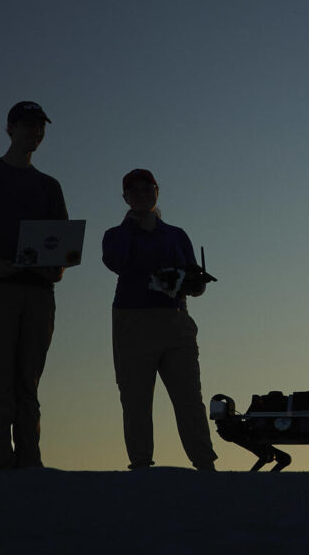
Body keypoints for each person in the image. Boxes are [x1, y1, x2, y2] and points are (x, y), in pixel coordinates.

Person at [0, 101, 68, 471]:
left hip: (38, 294)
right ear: (10, 128)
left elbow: (61, 250)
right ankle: (2, 465)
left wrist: (55, 270)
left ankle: (30, 463)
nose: (35, 132)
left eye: (40, 126)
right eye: (28, 125)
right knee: (0, 376)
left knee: (29, 381)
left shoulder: (49, 186)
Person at [102, 169, 217, 471]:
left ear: (157, 192)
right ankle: (141, 464)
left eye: (147, 188)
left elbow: (197, 284)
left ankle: (204, 463)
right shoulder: (115, 235)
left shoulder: (176, 235)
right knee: (136, 398)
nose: (141, 194)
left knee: (189, 397)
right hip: (133, 321)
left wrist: (190, 281)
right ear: (125, 197)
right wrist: (130, 226)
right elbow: (116, 262)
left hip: (175, 320)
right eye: (133, 190)